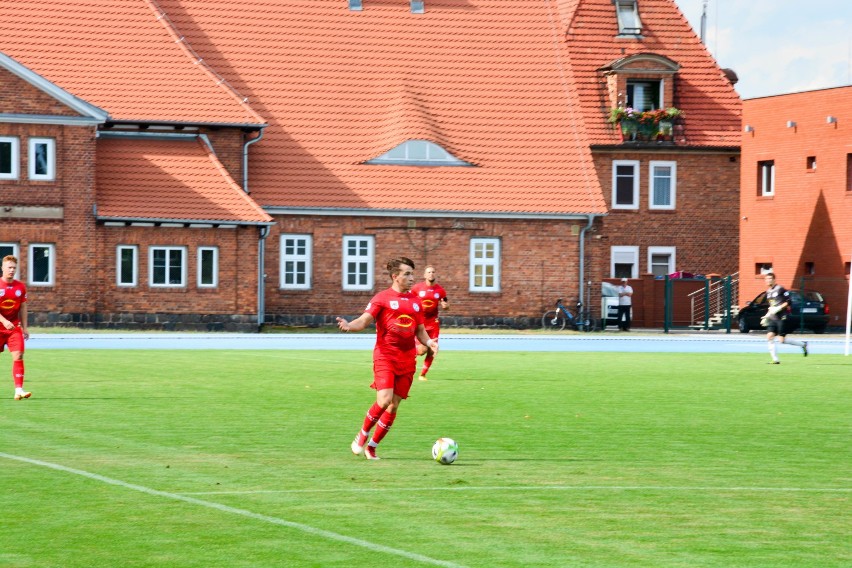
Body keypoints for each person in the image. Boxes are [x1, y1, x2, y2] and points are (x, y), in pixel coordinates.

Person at [337, 257, 438, 460]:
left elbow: (420, 330)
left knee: (394, 405)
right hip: (385, 356)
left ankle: (372, 447)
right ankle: (363, 434)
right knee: (383, 400)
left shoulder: (416, 302)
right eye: (407, 274)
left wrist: (429, 343)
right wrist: (350, 325)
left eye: (412, 274)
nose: (412, 278)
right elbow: (364, 320)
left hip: (407, 359)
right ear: (395, 276)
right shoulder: (382, 298)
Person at [0, 255, 31, 400]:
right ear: (2, 268)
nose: (12, 270)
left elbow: (23, 307)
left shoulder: (20, 287)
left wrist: (25, 327)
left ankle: (19, 390)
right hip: (1, 326)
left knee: (18, 355)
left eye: (14, 268)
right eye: (9, 267)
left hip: (14, 328)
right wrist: (4, 321)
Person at [411, 265, 449, 381]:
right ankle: (409, 356)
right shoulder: (417, 288)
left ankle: (422, 374)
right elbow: (409, 300)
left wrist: (445, 306)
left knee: (433, 349)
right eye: (428, 272)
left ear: (435, 274)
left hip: (433, 323)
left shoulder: (440, 291)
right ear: (424, 275)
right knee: (422, 350)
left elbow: (446, 305)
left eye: (433, 272)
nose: (431, 274)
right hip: (420, 323)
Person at [763, 272, 807, 364]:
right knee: (769, 336)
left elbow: (789, 301)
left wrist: (779, 308)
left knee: (781, 340)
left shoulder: (780, 289)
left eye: (770, 278)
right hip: (773, 317)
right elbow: (771, 306)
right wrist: (767, 315)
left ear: (774, 279)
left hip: (782, 317)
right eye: (767, 279)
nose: (768, 280)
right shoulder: (768, 292)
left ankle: (803, 344)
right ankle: (775, 360)